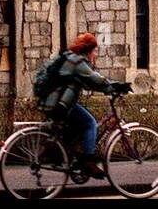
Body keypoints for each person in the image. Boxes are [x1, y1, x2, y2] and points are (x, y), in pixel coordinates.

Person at [39, 32, 129, 178]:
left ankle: (59, 151)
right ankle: (88, 163)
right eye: (95, 50)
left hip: (53, 101)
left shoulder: (71, 58)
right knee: (90, 123)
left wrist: (109, 88)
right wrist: (116, 86)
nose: (96, 54)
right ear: (88, 50)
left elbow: (88, 83)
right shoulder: (78, 62)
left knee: (76, 128)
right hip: (60, 103)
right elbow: (94, 79)